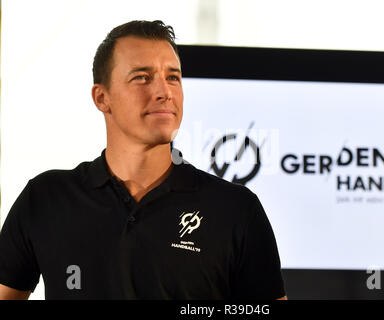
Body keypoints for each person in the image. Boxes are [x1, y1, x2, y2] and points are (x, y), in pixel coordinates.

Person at [0, 20, 286, 300]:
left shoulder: (236, 209)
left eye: (173, 77)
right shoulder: (45, 198)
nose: (165, 92)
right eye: (142, 77)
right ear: (102, 98)